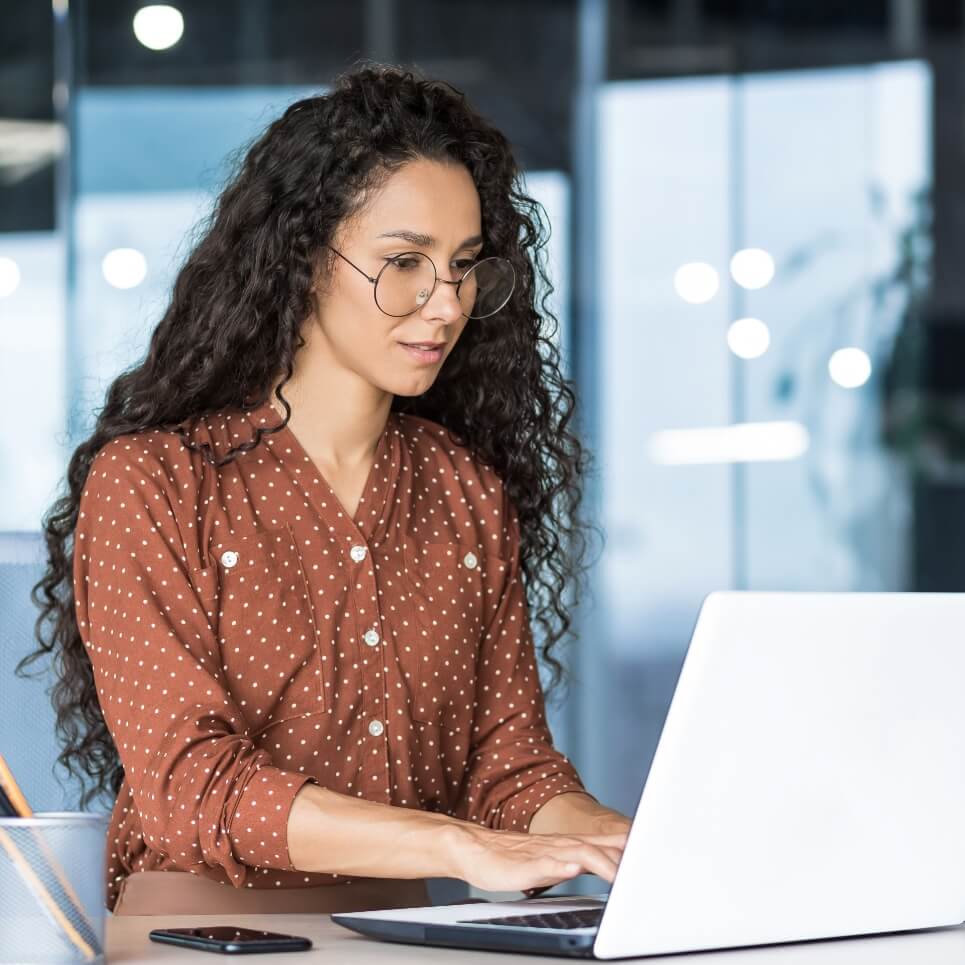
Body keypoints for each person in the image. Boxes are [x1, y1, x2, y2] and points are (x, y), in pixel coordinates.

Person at [19, 61, 631, 916]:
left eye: (462, 266)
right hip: (198, 930)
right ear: (303, 259)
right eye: (404, 262)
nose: (445, 304)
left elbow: (510, 767)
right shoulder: (154, 483)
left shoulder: (465, 492)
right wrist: (451, 842)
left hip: (407, 927)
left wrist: (614, 839)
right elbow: (191, 786)